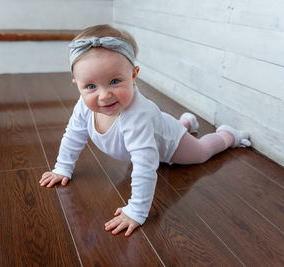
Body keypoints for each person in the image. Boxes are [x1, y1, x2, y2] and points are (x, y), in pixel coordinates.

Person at [39, 24, 250, 237]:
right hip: (156, 130)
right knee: (162, 129)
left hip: (171, 144)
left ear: (133, 75)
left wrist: (137, 210)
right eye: (91, 86)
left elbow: (145, 166)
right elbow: (73, 136)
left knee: (201, 152)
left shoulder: (137, 117)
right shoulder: (84, 107)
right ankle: (185, 122)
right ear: (77, 85)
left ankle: (227, 135)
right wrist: (62, 167)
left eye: (114, 81)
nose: (104, 96)